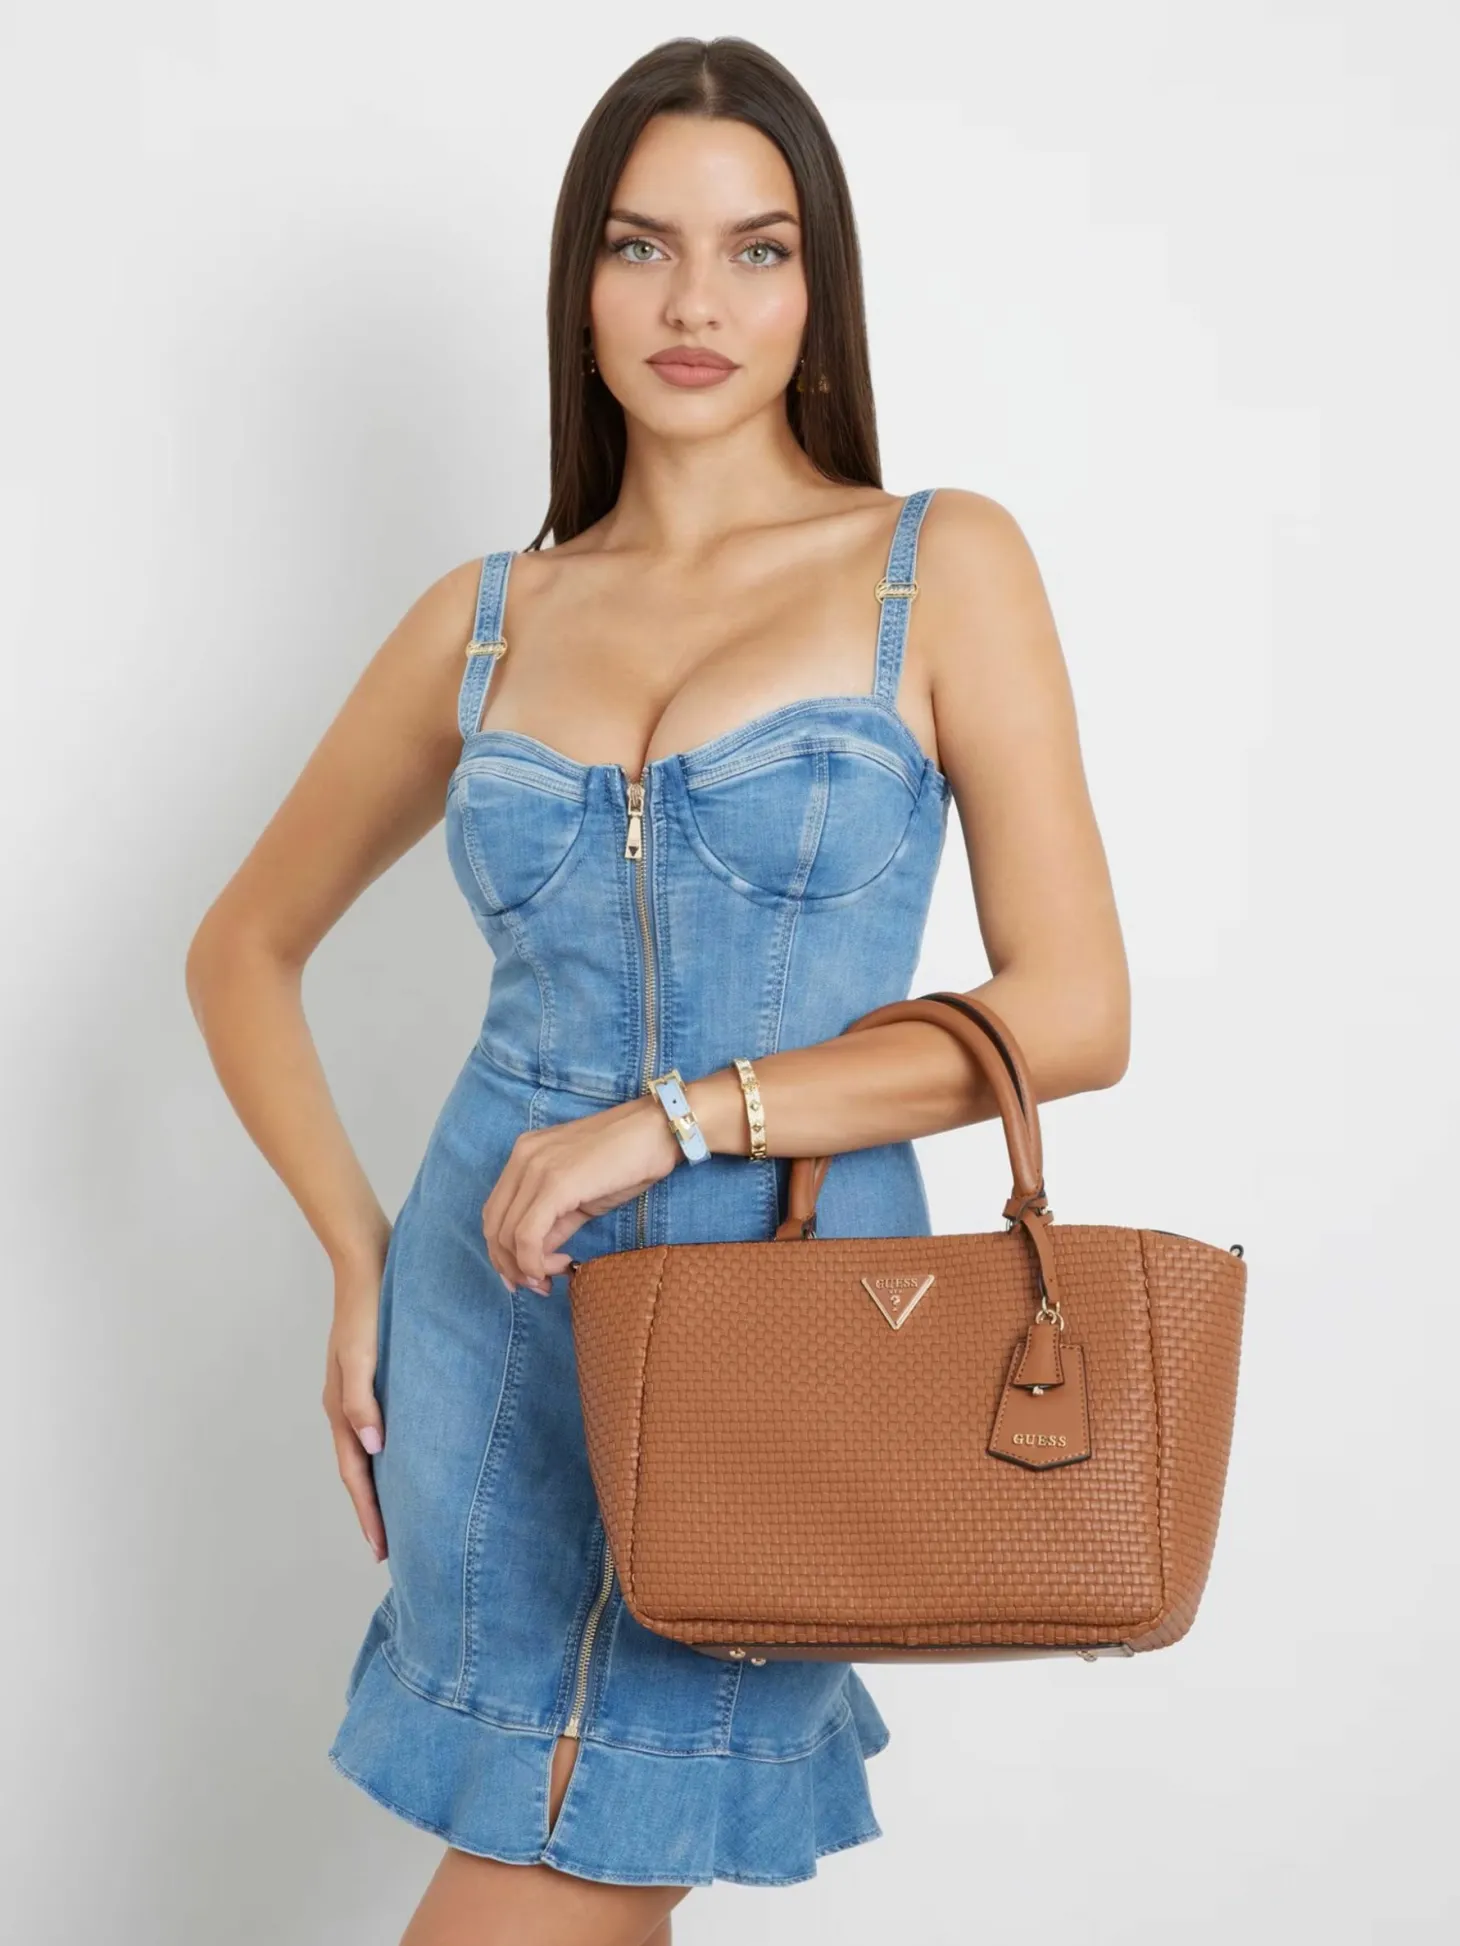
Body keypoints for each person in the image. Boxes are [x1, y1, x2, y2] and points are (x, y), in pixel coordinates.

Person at [185, 32, 1129, 1946]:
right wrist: (362, 1257)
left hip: (782, 1332)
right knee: (557, 1862)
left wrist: (680, 1119)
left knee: (560, 1883)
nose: (696, 302)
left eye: (756, 250)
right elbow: (241, 948)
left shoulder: (938, 567)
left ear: (818, 290)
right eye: (642, 247)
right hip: (493, 1327)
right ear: (583, 285)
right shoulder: (484, 618)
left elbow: (1077, 1009)